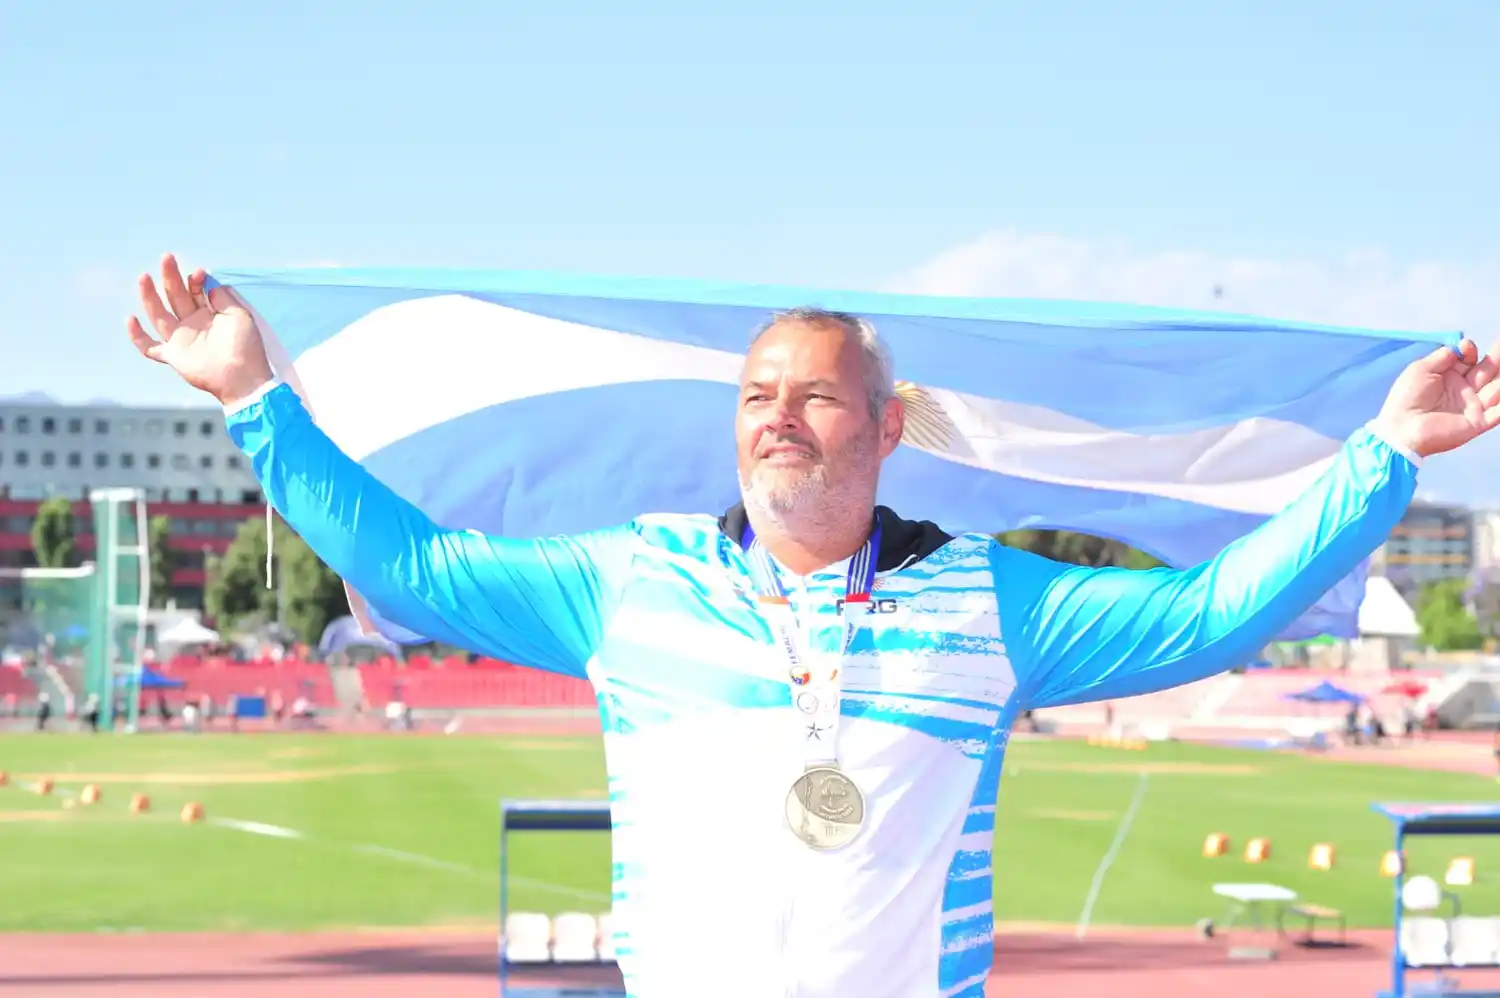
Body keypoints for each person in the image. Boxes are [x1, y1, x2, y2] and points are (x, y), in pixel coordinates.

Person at [127, 253, 1500, 998]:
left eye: (818, 395)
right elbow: (411, 560)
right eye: (756, 395)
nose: (779, 413)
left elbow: (1210, 613)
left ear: (888, 427)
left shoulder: (989, 598)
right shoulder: (627, 582)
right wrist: (256, 398)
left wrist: (1386, 453)